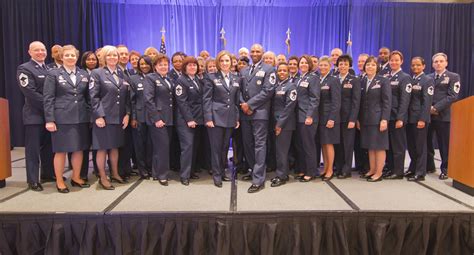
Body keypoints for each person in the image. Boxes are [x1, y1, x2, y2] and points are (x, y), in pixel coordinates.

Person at [43, 45, 91, 193]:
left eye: (73, 55)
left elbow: (87, 98)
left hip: (81, 117)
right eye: (67, 55)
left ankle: (76, 177)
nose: (70, 58)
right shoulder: (53, 74)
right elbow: (48, 98)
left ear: (77, 57)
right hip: (62, 118)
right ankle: (59, 180)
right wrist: (50, 119)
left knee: (79, 149)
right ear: (61, 57)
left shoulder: (84, 74)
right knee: (61, 151)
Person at [89, 45, 130, 190]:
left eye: (115, 55)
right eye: (110, 55)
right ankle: (103, 177)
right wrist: (99, 116)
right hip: (104, 118)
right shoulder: (97, 73)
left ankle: (115, 173)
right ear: (104, 57)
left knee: (114, 147)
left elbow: (127, 98)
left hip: (118, 118)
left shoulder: (121, 73)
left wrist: (127, 114)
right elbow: (93, 97)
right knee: (102, 148)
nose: (113, 58)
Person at [17, 41, 55, 191]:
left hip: (49, 116)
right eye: (36, 50)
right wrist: (49, 106)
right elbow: (30, 93)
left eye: (42, 50)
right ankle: (33, 179)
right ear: (30, 52)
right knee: (33, 150)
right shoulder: (24, 69)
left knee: (48, 147)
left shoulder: (50, 69)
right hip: (34, 116)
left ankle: (47, 173)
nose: (40, 52)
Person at [239, 44, 276, 193]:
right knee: (248, 144)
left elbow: (268, 91)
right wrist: (243, 104)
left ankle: (258, 179)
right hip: (244, 113)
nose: (254, 53)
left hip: (259, 113)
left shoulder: (269, 69)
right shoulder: (244, 70)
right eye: (252, 51)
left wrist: (250, 105)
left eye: (257, 51)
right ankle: (253, 170)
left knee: (259, 145)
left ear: (262, 53)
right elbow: (238, 90)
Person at [203, 51, 240, 187]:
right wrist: (208, 118)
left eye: (227, 61)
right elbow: (206, 99)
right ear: (218, 63)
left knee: (225, 147)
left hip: (230, 118)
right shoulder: (211, 77)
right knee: (216, 148)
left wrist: (237, 118)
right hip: (216, 118)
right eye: (222, 61)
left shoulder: (236, 78)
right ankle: (216, 175)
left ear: (231, 63)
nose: (225, 63)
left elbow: (236, 101)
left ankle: (223, 172)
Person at [427, 53, 461, 180]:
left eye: (441, 61)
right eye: (436, 61)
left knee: (444, 144)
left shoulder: (453, 77)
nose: (438, 63)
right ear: (432, 64)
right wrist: (428, 108)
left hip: (443, 116)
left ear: (446, 63)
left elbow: (452, 96)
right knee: (427, 142)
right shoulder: (428, 77)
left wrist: (435, 108)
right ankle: (429, 166)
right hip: (428, 115)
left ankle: (445, 169)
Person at [358, 56, 391, 182]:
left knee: (379, 146)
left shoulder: (383, 80)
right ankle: (372, 170)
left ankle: (378, 172)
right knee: (370, 146)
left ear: (377, 67)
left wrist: (384, 119)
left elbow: (387, 101)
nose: (369, 67)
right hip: (365, 119)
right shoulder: (362, 81)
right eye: (368, 65)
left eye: (372, 65)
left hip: (378, 119)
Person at [144, 54, 174, 186]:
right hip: (158, 119)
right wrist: (156, 119)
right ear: (155, 66)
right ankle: (162, 175)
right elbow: (148, 100)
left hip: (169, 118)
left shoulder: (169, 79)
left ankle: (156, 172)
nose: (163, 66)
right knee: (162, 147)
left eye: (165, 64)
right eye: (160, 64)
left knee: (160, 147)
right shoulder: (150, 78)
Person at [175, 56, 205, 185]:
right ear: (185, 67)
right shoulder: (181, 81)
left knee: (194, 147)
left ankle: (191, 171)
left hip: (198, 120)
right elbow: (182, 102)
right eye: (190, 65)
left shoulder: (197, 79)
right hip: (185, 120)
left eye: (194, 65)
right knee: (187, 147)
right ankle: (184, 175)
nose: (192, 67)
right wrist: (189, 119)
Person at [384, 51, 412, 180]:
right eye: (392, 60)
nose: (393, 62)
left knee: (398, 146)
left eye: (396, 60)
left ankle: (398, 171)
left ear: (401, 61)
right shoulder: (387, 77)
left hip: (397, 117)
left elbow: (405, 100)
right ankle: (390, 168)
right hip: (388, 116)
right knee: (389, 145)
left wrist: (400, 118)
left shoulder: (405, 77)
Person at [405, 57, 434, 181]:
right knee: (411, 146)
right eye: (413, 65)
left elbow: (427, 102)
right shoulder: (411, 80)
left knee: (420, 147)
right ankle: (413, 168)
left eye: (418, 65)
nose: (415, 67)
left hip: (419, 119)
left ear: (424, 66)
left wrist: (423, 119)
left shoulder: (427, 80)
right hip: (410, 118)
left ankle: (420, 172)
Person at [270, 62, 297, 187]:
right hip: (276, 122)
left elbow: (289, 108)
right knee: (279, 151)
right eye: (279, 70)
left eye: (284, 71)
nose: (281, 72)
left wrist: (279, 124)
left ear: (288, 72)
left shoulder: (291, 87)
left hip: (285, 125)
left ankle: (282, 176)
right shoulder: (276, 86)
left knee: (282, 151)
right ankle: (281, 173)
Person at [334, 55, 361, 179]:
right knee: (338, 144)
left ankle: (346, 169)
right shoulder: (334, 79)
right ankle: (338, 167)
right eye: (340, 64)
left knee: (348, 144)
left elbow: (356, 101)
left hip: (348, 118)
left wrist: (353, 119)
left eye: (345, 64)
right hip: (336, 118)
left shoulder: (354, 80)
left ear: (349, 65)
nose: (342, 66)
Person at [295, 55, 321, 182]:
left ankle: (311, 171)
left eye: (306, 63)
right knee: (301, 145)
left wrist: (310, 115)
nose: (303, 64)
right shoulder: (299, 78)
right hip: (298, 116)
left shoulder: (313, 78)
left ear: (310, 64)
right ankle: (304, 169)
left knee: (309, 145)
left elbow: (315, 99)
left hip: (307, 117)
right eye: (301, 62)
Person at [129, 55, 154, 179]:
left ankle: (150, 167)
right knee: (139, 145)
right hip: (139, 117)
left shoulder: (155, 77)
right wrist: (133, 117)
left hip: (153, 117)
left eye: (146, 63)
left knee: (151, 144)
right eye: (142, 64)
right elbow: (131, 100)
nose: (144, 66)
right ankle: (142, 168)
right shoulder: (133, 79)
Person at [317, 56, 341, 181]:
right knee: (323, 144)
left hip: (329, 118)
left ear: (330, 67)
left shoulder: (334, 80)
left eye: (325, 65)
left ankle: (330, 169)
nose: (323, 67)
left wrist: (332, 118)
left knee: (329, 144)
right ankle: (325, 167)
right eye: (321, 65)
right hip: (320, 118)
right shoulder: (318, 79)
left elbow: (336, 102)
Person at [354, 53, 369, 174]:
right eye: (359, 61)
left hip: (369, 116)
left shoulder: (373, 78)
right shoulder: (357, 78)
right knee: (358, 143)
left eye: (363, 61)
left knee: (367, 143)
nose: (360, 64)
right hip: (357, 115)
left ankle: (367, 167)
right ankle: (359, 165)